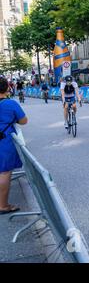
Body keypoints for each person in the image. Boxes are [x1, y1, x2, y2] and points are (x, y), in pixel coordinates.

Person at [0, 77, 28, 214]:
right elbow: (24, 121)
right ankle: (3, 205)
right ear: (7, 88)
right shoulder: (10, 104)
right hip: (4, 142)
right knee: (4, 172)